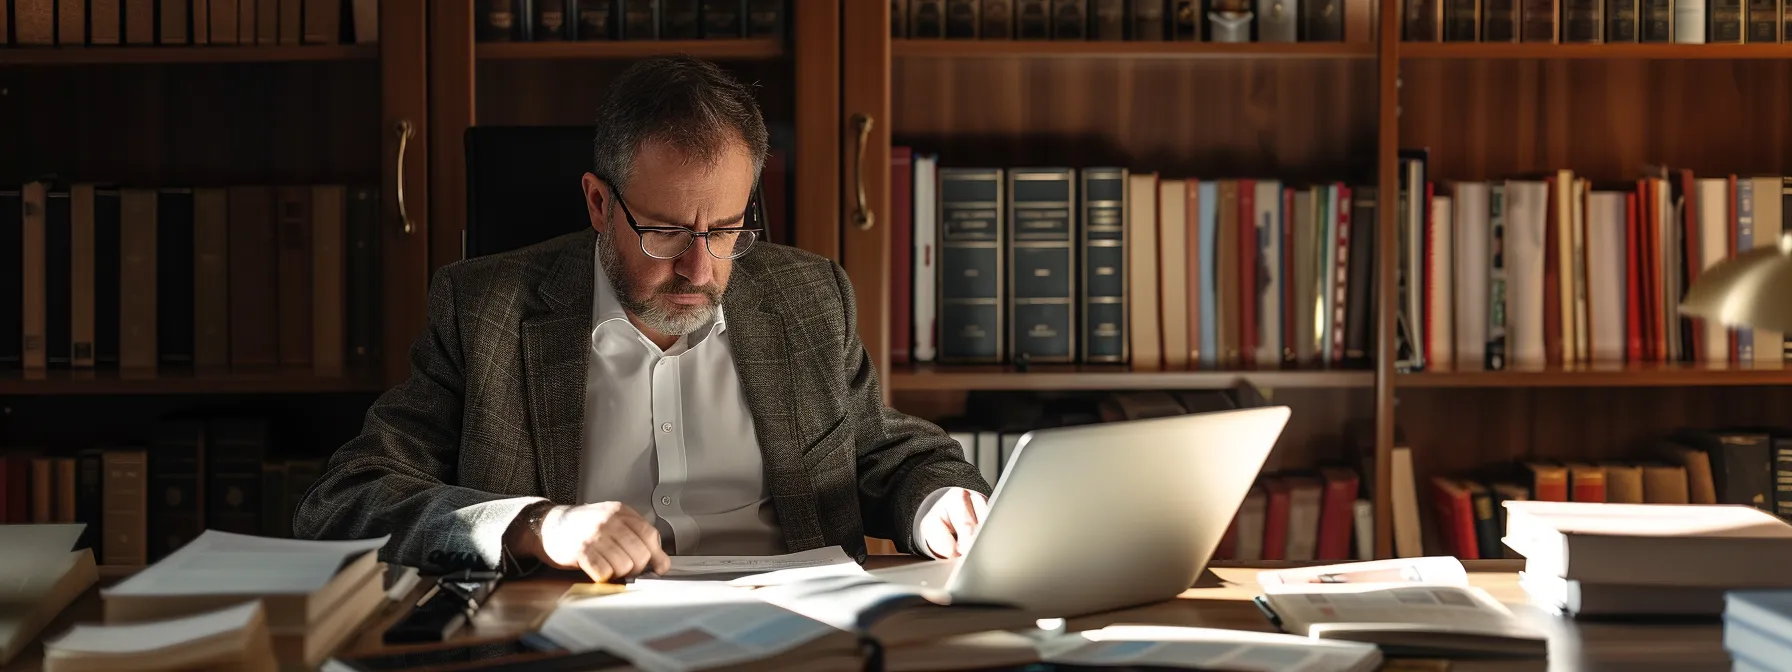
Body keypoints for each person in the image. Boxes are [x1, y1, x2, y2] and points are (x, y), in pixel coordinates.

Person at [292, 55, 992, 582]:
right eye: (664, 231)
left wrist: (937, 505)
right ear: (599, 204)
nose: (699, 269)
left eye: (724, 230)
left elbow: (887, 458)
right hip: (578, 636)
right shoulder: (484, 312)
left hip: (798, 637)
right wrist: (537, 526)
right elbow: (346, 501)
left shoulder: (809, 298)